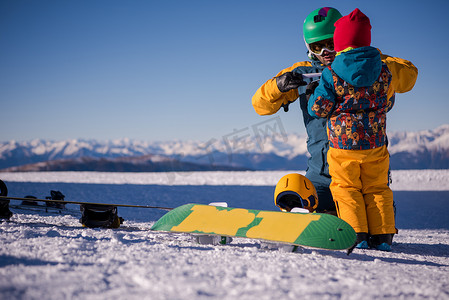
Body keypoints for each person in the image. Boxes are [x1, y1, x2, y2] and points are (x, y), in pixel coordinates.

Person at [252, 7, 417, 215]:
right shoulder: (303, 72)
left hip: (362, 175)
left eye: (330, 44)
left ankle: (359, 223)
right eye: (317, 46)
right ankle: (322, 215)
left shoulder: (370, 64)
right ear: (309, 47)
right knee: (293, 191)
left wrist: (371, 64)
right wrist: (278, 86)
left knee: (370, 220)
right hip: (321, 175)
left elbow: (409, 77)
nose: (326, 53)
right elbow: (260, 105)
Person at [307, 8, 415, 251]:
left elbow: (319, 109)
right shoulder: (383, 70)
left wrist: (314, 95)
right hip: (375, 144)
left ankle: (357, 235)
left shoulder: (331, 73)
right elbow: (387, 101)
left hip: (343, 147)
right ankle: (384, 236)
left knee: (347, 189)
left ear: (340, 42)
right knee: (377, 189)